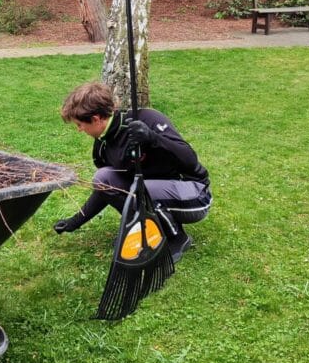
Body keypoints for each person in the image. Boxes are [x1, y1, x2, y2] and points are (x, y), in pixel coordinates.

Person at [54, 80, 211, 262]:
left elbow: (190, 160)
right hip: (155, 193)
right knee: (103, 177)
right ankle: (145, 230)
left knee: (141, 189)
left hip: (195, 195)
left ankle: (176, 238)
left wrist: (153, 138)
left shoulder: (146, 119)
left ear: (96, 119)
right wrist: (75, 221)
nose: (79, 130)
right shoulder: (102, 145)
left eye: (79, 124)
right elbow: (105, 188)